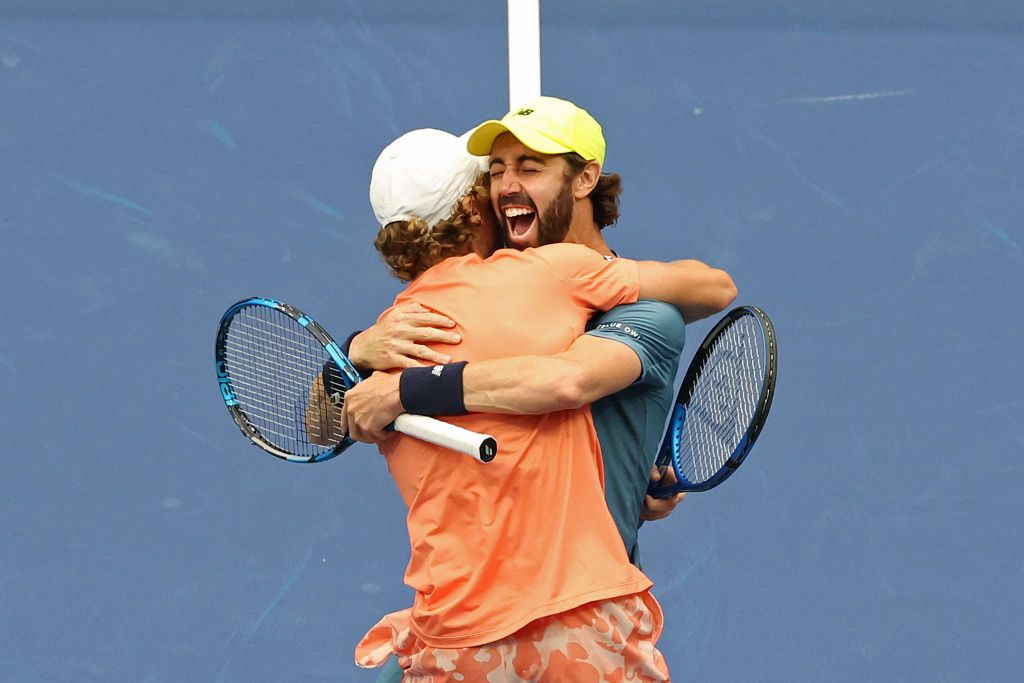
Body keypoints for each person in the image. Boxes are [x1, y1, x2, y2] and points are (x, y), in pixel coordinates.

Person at [336, 109, 735, 680]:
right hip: (572, 625)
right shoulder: (556, 277)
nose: (506, 187)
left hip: (448, 643)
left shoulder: (396, 332)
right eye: (494, 172)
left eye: (528, 168)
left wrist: (382, 374)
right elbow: (568, 379)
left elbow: (320, 418)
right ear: (475, 204)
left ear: (585, 179)